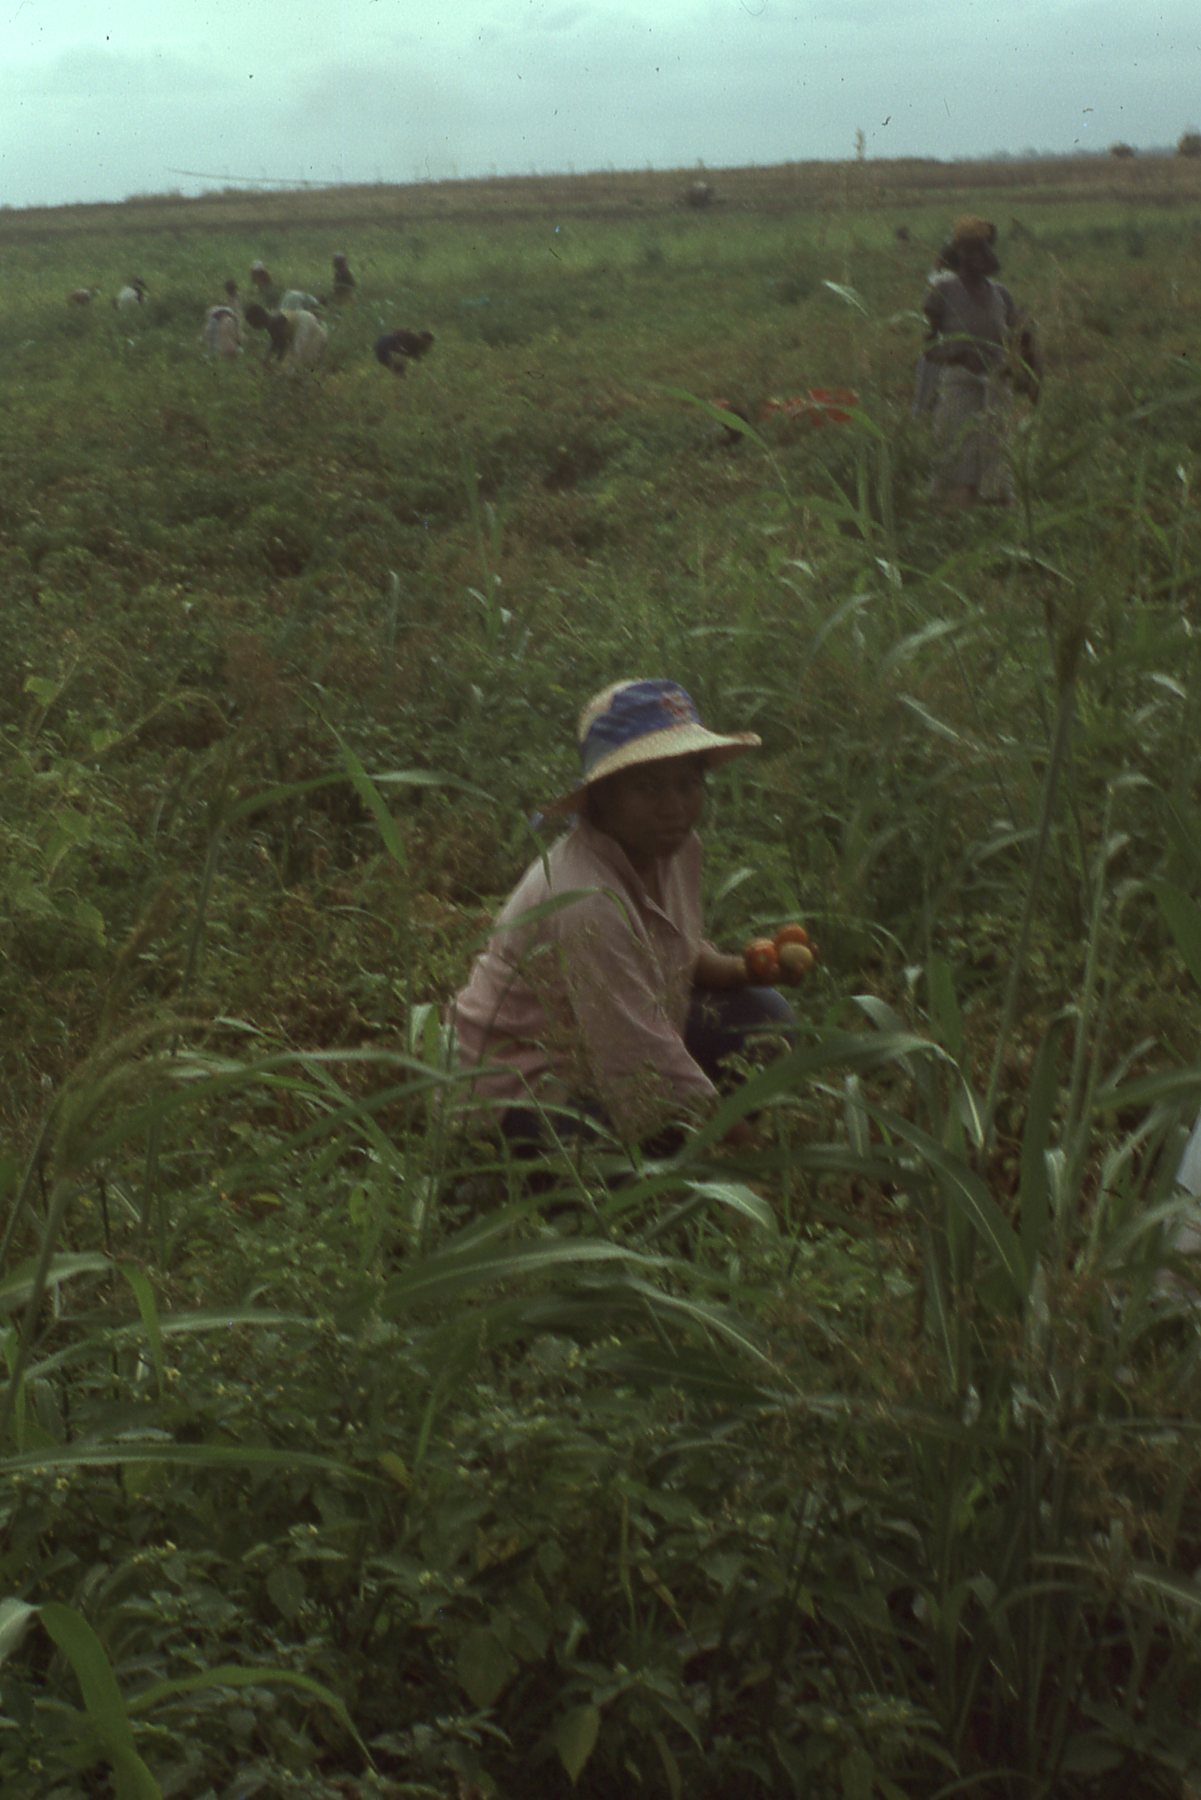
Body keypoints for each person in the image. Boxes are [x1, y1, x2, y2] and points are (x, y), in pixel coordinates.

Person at [451, 679, 807, 1155]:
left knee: (766, 1017)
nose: (674, 807)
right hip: (521, 1078)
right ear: (602, 797)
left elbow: (671, 952)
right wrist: (747, 1155)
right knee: (618, 1148)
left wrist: (744, 969)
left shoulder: (674, 850)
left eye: (688, 784)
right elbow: (636, 1053)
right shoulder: (587, 899)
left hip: (605, 1038)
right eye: (647, 787)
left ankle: (688, 1144)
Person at [916, 217, 1040, 509]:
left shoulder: (1001, 294)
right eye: (971, 250)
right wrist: (958, 355)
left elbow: (1023, 334)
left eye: (984, 248)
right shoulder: (943, 290)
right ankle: (955, 518)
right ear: (958, 253)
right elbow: (928, 346)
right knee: (959, 456)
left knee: (997, 457)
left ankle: (995, 514)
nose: (980, 256)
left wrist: (1030, 373)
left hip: (995, 385)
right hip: (958, 383)